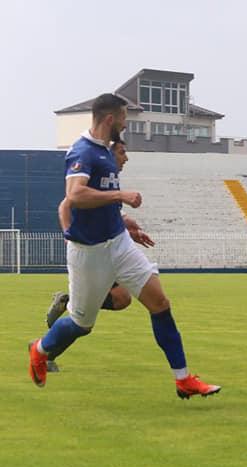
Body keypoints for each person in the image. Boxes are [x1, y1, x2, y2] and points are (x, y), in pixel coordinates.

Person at [27, 93, 221, 399]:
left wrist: (125, 222)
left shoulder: (106, 152)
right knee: (81, 324)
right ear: (109, 119)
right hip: (89, 254)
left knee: (160, 304)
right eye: (124, 119)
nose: (125, 124)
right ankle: (40, 349)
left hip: (118, 244)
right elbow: (75, 196)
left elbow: (100, 200)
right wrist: (120, 196)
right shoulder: (83, 151)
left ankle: (183, 380)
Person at [42, 139, 147, 372]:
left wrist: (130, 227)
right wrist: (70, 232)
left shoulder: (109, 181)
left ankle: (68, 303)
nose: (125, 158)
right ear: (109, 155)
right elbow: (65, 205)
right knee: (84, 321)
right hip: (91, 252)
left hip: (108, 251)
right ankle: (46, 354)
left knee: (121, 300)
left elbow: (111, 218)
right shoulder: (94, 177)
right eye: (121, 153)